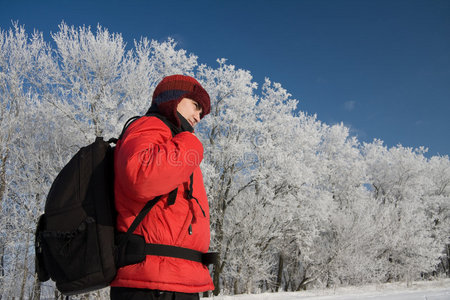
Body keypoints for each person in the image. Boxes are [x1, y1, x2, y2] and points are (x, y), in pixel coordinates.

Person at [110, 75, 214, 300]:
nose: (199, 116)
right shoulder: (150, 126)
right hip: (151, 283)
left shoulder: (174, 139)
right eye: (196, 106)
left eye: (202, 113)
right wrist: (191, 144)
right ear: (174, 97)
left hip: (177, 279)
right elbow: (140, 177)